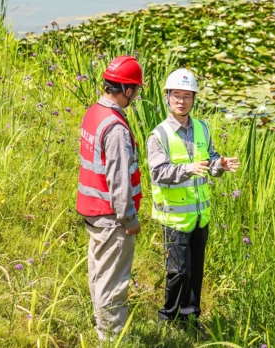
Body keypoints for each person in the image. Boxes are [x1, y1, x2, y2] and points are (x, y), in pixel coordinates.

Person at [146, 68, 241, 329]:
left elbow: (210, 161)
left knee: (195, 270)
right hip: (174, 216)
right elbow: (158, 173)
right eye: (176, 95)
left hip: (200, 215)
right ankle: (168, 318)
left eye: (187, 96)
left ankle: (190, 317)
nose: (181, 101)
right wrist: (188, 169)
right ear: (166, 97)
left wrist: (220, 164)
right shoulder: (159, 135)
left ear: (194, 99)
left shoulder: (202, 128)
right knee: (178, 272)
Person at [76, 55, 144, 341]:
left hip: (93, 210)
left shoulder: (94, 112)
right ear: (127, 91)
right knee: (113, 280)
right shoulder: (115, 128)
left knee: (99, 271)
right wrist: (129, 218)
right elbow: (119, 180)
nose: (136, 96)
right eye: (136, 91)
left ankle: (101, 327)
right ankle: (112, 337)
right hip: (111, 216)